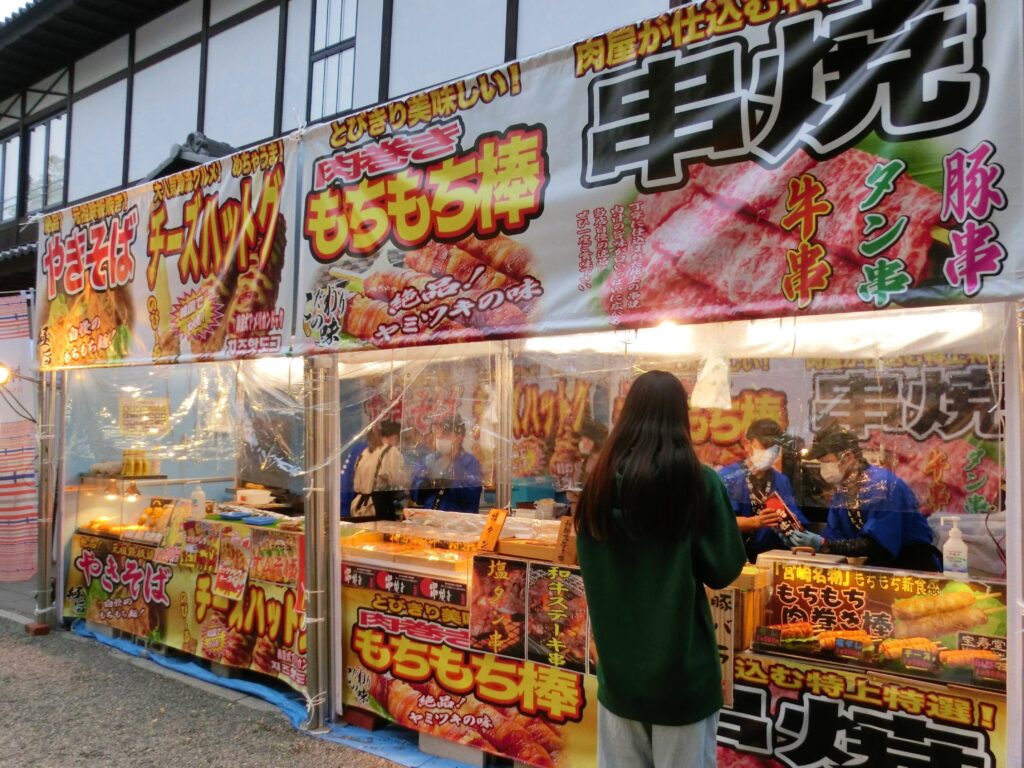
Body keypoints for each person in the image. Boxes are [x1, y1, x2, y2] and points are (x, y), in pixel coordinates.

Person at [575, 370, 746, 768]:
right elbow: (724, 568)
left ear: (627, 415)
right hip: (682, 678)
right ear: (681, 417)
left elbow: (589, 563)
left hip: (618, 675)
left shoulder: (598, 485)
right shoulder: (698, 483)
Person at [789, 421, 940, 571]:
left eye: (827, 461)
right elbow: (834, 536)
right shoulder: (842, 492)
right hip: (877, 566)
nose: (823, 468)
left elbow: (879, 545)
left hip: (911, 565)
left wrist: (824, 544)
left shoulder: (882, 486)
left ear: (847, 457)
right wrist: (806, 542)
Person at [719, 419, 808, 563]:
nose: (770, 453)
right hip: (734, 558)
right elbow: (719, 522)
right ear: (747, 444)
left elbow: (796, 518)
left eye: (775, 448)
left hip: (771, 558)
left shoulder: (781, 481)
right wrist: (755, 522)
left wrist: (797, 531)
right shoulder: (728, 478)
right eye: (765, 446)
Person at [410, 415, 483, 513]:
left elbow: (472, 496)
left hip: (458, 520)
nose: (439, 437)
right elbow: (414, 493)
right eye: (437, 433)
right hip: (431, 519)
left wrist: (450, 482)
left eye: (445, 434)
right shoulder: (429, 460)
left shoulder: (469, 462)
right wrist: (426, 484)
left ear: (459, 437)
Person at [351, 420, 407, 520]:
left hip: (358, 505)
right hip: (378, 506)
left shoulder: (365, 452)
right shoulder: (391, 451)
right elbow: (397, 480)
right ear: (395, 437)